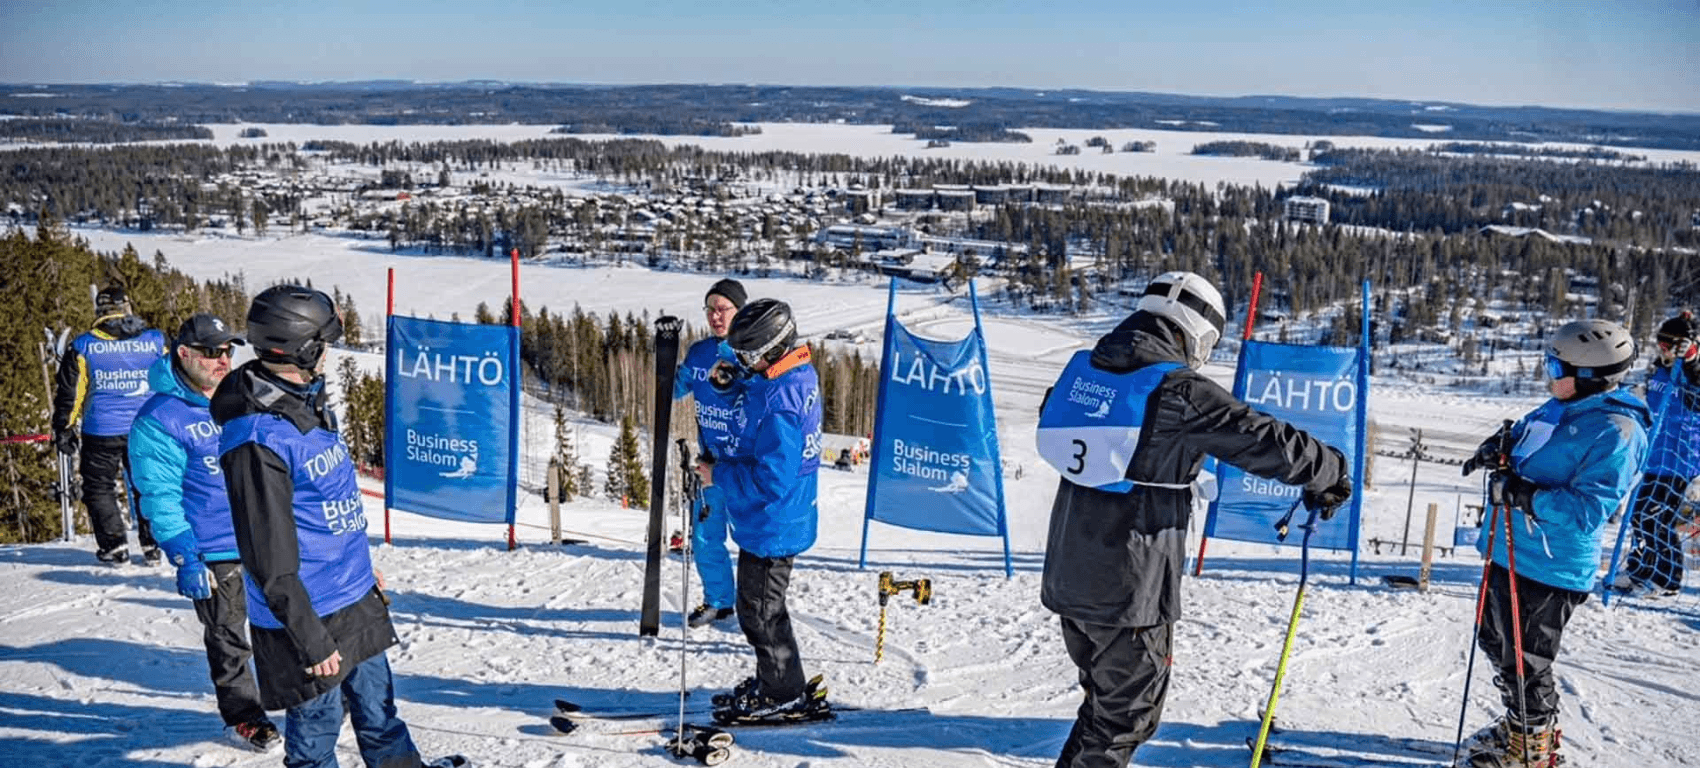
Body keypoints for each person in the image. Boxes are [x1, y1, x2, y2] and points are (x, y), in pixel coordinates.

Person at [1034, 271, 1353, 768]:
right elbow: (1262, 438)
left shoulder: (1085, 371)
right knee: (1125, 720)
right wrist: (1329, 469)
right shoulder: (1179, 391)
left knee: (1105, 713)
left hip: (1070, 578)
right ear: (1200, 332)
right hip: (1130, 593)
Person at [212, 285, 466, 768]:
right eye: (325, 341)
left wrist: (361, 569)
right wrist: (309, 638)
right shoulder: (256, 439)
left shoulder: (300, 399)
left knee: (380, 714)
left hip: (350, 595)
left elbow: (326, 505)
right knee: (315, 739)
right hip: (306, 618)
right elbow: (269, 557)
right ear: (305, 348)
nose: (330, 350)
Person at [1458, 318, 1650, 768]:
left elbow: (1588, 511)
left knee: (1525, 662)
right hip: (1508, 549)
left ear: (1588, 376)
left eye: (1554, 366)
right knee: (1494, 640)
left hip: (1549, 565)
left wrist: (1524, 495)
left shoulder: (1617, 432)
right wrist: (1501, 444)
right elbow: (1527, 434)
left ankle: (1532, 748)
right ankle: (1521, 723)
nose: (1548, 374)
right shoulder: (1561, 407)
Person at [128, 314, 281, 751]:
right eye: (212, 351)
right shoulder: (159, 418)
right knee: (229, 636)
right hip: (214, 549)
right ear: (184, 353)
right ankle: (244, 716)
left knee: (289, 621)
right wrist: (184, 554)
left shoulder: (243, 395)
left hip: (265, 536)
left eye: (227, 350)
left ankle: (309, 699)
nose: (222, 359)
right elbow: (159, 495)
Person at [693, 298, 827, 721]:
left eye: (748, 356)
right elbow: (760, 391)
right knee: (762, 607)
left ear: (772, 349)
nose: (743, 363)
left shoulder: (780, 404)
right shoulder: (790, 373)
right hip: (773, 519)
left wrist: (718, 475)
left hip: (775, 522)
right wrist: (731, 381)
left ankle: (782, 692)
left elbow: (772, 479)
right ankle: (777, 680)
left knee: (760, 612)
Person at [52, 285, 168, 565]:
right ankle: (154, 544)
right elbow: (172, 378)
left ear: (100, 310)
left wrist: (64, 428)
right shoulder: (155, 341)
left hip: (101, 429)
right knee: (149, 484)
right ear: (127, 306)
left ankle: (114, 546)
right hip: (148, 427)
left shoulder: (84, 345)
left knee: (99, 487)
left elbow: (71, 392)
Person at [673, 278, 746, 628]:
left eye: (723, 309)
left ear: (740, 311)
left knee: (754, 543)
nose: (716, 316)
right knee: (705, 537)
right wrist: (662, 359)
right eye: (710, 309)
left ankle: (757, 609)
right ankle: (719, 601)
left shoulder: (752, 352)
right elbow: (673, 391)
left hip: (746, 466)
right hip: (710, 464)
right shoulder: (700, 353)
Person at [1618, 311, 1700, 597]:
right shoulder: (1660, 371)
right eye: (1661, 345)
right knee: (1639, 517)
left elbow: (1697, 376)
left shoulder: (1690, 373)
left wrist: (1691, 357)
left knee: (1657, 520)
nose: (1663, 351)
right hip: (1654, 458)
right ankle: (1639, 571)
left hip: (1679, 460)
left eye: (1669, 346)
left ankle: (1667, 579)